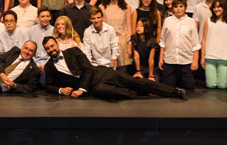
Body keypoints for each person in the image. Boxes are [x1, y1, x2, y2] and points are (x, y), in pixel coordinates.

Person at [42, 36, 185, 99]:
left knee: (136, 82)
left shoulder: (73, 51)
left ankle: (174, 92)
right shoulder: (49, 66)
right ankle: (146, 93)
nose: (51, 49)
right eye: (47, 49)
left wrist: (81, 89)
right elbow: (48, 85)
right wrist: (60, 90)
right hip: (94, 88)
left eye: (52, 46)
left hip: (102, 74)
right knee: (121, 93)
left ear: (57, 44)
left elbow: (88, 69)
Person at [159, 0, 200, 89]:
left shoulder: (191, 22)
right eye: (176, 6)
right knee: (168, 87)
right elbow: (162, 41)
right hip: (170, 60)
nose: (178, 9)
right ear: (173, 8)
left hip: (185, 61)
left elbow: (196, 44)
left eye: (181, 6)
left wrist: (195, 61)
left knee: (189, 87)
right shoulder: (167, 21)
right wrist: (161, 59)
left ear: (185, 7)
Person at [100, 0, 132, 72]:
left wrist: (129, 44)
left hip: (123, 43)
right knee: (110, 72)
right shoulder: (102, 7)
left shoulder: (126, 7)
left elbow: (128, 28)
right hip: (108, 42)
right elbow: (102, 28)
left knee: (122, 72)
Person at [201, 0, 227, 89]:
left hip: (224, 58)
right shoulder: (208, 21)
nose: (216, 9)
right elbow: (204, 39)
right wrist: (202, 57)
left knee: (222, 86)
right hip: (210, 57)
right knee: (210, 85)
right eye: (215, 7)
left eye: (219, 7)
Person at [28, 6, 54, 86]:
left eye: (47, 16)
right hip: (34, 62)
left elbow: (55, 52)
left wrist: (45, 65)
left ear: (50, 17)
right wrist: (36, 64)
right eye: (42, 16)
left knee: (43, 83)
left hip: (49, 62)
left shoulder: (54, 30)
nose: (45, 19)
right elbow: (29, 49)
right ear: (38, 18)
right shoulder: (32, 30)